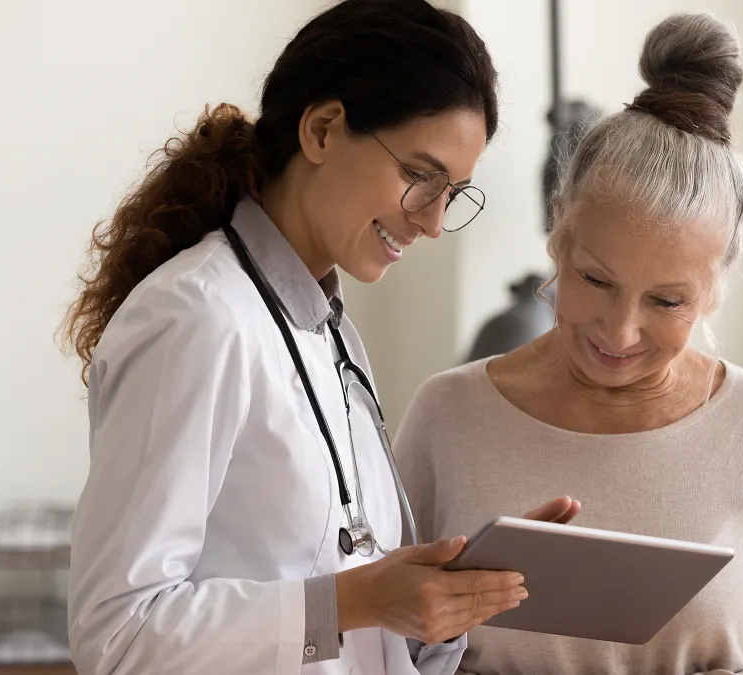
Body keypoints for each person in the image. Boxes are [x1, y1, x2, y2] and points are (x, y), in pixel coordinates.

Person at [58, 2, 574, 674]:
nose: (434, 223)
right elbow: (117, 633)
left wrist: (443, 605)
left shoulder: (332, 337)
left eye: (453, 193)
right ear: (323, 130)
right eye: (420, 176)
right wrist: (354, 601)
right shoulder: (194, 317)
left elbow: (348, 614)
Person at [394, 12, 743, 675]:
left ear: (715, 289)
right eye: (594, 279)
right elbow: (374, 638)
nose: (619, 330)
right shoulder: (448, 415)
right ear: (558, 240)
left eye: (666, 300)